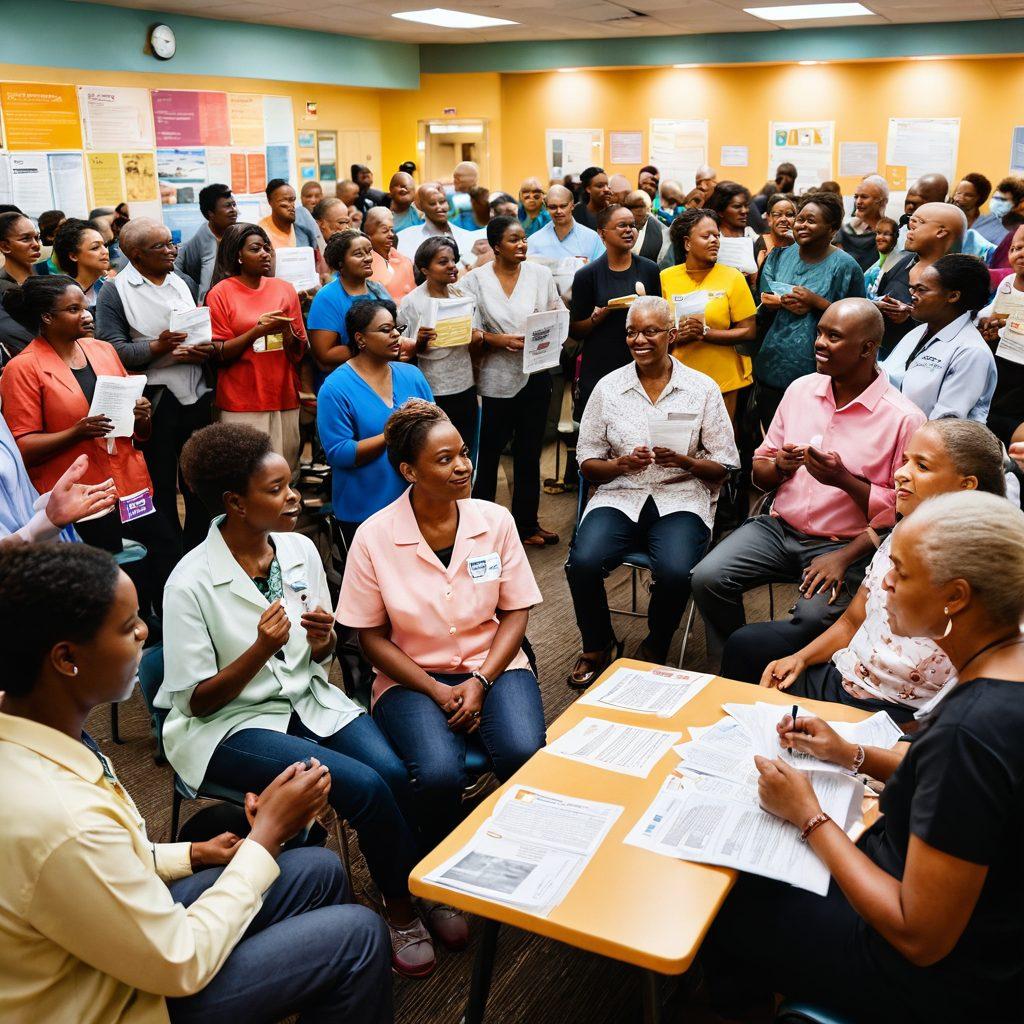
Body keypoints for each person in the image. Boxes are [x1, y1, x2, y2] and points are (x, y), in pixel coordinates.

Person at [0, 543, 393, 1024]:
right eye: (128, 627)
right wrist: (266, 837)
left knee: (319, 869)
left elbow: (106, 859)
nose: (146, 633)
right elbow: (178, 961)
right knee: (359, 935)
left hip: (105, 940)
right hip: (117, 999)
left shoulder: (41, 732)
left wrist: (195, 853)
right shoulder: (60, 816)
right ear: (66, 659)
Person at [704, 489, 1024, 1024]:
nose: (882, 585)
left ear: (956, 596)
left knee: (723, 896)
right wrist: (850, 752)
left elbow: (918, 936)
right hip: (975, 921)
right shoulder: (1003, 668)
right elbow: (951, 785)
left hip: (929, 975)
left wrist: (808, 815)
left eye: (900, 570)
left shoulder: (971, 732)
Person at [156, 422, 437, 978]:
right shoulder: (188, 581)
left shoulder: (300, 549)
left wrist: (323, 638)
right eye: (278, 489)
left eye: (291, 485)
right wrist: (262, 648)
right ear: (235, 502)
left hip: (306, 698)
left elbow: (321, 653)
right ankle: (403, 907)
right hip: (229, 728)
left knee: (393, 770)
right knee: (363, 787)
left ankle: (407, 879)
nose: (295, 498)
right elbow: (195, 703)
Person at [338, 399, 546, 876]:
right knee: (434, 775)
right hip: (411, 676)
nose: (463, 467)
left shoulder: (495, 522)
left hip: (493, 662)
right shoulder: (373, 537)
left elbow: (516, 612)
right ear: (409, 470)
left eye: (463, 454)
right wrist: (436, 689)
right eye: (445, 459)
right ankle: (439, 867)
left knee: (524, 754)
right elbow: (369, 637)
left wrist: (482, 681)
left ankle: (515, 853)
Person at [692, 298, 926, 669]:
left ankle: (793, 673)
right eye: (819, 333)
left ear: (867, 348)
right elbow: (759, 470)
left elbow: (904, 511)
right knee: (707, 577)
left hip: (847, 544)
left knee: (814, 617)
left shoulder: (904, 419)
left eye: (833, 337)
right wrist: (780, 467)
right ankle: (733, 665)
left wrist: (843, 481)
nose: (818, 343)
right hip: (778, 529)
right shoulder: (801, 389)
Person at [754, 418, 1005, 722]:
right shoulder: (904, 532)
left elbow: (970, 697)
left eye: (921, 466)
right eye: (905, 461)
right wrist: (800, 658)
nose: (900, 474)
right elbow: (853, 620)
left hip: (898, 713)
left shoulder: (985, 573)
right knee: (749, 656)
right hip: (845, 678)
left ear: (966, 485)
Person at [566, 296, 737, 684]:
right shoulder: (608, 388)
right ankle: (597, 644)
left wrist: (687, 461)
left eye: (650, 331)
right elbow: (587, 462)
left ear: (671, 335)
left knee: (677, 571)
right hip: (621, 492)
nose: (638, 340)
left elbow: (724, 465)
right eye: (631, 332)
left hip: (681, 495)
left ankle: (656, 644)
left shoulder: (702, 389)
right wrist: (619, 465)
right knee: (583, 562)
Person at [0, 276, 178, 617]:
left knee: (163, 552)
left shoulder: (103, 350)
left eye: (84, 305)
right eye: (73, 309)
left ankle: (158, 628)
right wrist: (77, 432)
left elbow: (135, 427)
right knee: (110, 578)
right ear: (47, 318)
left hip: (130, 483)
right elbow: (24, 447)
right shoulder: (23, 368)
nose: (87, 315)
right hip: (82, 496)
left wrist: (142, 414)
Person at [95, 217, 214, 552]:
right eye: (159, 246)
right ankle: (169, 554)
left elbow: (199, 329)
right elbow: (113, 350)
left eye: (170, 243)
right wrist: (158, 347)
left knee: (198, 479)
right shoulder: (115, 292)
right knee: (160, 482)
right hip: (155, 401)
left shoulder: (183, 281)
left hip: (195, 394)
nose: (170, 251)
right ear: (135, 254)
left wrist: (202, 351)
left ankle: (200, 546)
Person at [461, 216, 563, 547]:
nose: (522, 245)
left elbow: (557, 313)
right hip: (496, 377)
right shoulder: (475, 280)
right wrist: (496, 340)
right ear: (495, 247)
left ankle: (527, 524)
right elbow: (467, 329)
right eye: (513, 240)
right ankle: (482, 526)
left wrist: (545, 338)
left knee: (529, 452)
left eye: (523, 239)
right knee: (488, 453)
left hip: (535, 373)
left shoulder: (541, 274)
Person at [317, 300, 433, 541]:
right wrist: (390, 434)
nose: (395, 336)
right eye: (385, 330)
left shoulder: (412, 375)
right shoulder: (335, 388)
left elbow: (434, 429)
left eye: (396, 329)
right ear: (360, 339)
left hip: (417, 505)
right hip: (365, 512)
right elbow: (339, 453)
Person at [754, 191, 866, 428]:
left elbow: (860, 319)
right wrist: (781, 302)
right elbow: (765, 298)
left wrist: (817, 303)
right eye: (800, 219)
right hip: (772, 365)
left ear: (832, 229)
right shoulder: (779, 255)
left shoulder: (845, 266)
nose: (802, 225)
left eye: (811, 221)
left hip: (819, 372)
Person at [205, 224, 307, 469]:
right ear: (238, 256)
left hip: (283, 394)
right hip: (242, 399)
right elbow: (218, 353)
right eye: (255, 249)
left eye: (266, 247)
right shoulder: (220, 293)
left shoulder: (284, 289)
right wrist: (256, 332)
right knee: (246, 474)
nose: (265, 253)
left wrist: (286, 331)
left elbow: (299, 351)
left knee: (285, 470)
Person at [660, 209, 756, 418]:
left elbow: (749, 331)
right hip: (678, 379)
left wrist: (705, 333)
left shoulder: (733, 277)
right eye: (706, 236)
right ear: (687, 243)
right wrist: (675, 336)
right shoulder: (665, 278)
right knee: (682, 442)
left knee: (719, 444)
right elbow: (656, 330)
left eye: (717, 235)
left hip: (723, 379)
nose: (714, 241)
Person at [569, 205, 662, 419]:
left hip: (641, 363)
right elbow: (575, 330)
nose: (629, 230)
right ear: (602, 233)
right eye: (622, 225)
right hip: (601, 363)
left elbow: (659, 316)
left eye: (632, 225)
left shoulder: (649, 269)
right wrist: (597, 317)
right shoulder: (587, 275)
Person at [882, 254, 997, 422]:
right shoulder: (919, 331)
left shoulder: (971, 353)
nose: (912, 296)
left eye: (921, 290)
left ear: (953, 296)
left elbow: (945, 422)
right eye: (912, 288)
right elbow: (889, 378)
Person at [399, 236, 481, 456]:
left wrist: (476, 336)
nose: (452, 266)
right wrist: (420, 343)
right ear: (425, 269)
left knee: (465, 447)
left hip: (464, 385)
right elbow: (400, 349)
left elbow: (476, 336)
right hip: (430, 388)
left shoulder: (464, 297)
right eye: (443, 262)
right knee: (434, 451)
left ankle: (465, 490)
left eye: (453, 260)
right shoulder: (412, 302)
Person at [874, 202, 967, 358]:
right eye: (910, 224)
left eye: (919, 223)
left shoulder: (958, 278)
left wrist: (910, 315)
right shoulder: (902, 260)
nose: (910, 229)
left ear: (941, 232)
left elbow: (952, 327)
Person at [0, 421, 114, 546]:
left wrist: (49, 505)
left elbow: (14, 485)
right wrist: (41, 525)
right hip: (24, 555)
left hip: (50, 547)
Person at [307, 230, 392, 377]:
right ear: (341, 262)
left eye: (369, 252)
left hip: (384, 372)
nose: (368, 258)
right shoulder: (327, 297)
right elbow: (325, 354)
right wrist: (372, 345)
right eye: (359, 254)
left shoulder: (378, 289)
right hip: (347, 378)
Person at [979, 224, 1024, 442]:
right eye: (1015, 248)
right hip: (1003, 361)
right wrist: (987, 323)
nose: (1020, 254)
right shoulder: (1007, 283)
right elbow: (992, 313)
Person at [174, 183, 238, 301]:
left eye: (234, 205)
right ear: (211, 214)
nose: (233, 210)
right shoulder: (204, 241)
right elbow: (205, 287)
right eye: (228, 206)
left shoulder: (236, 234)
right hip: (183, 274)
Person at [395, 184, 482, 269]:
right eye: (432, 203)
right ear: (420, 206)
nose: (439, 207)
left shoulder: (467, 237)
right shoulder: (405, 238)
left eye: (442, 202)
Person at [527, 184, 603, 266]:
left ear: (572, 205)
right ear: (546, 207)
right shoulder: (534, 241)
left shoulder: (591, 238)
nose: (558, 211)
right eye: (553, 207)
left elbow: (602, 270)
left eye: (563, 206)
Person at [52, 218, 112, 309]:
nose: (105, 251)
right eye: (95, 247)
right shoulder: (61, 295)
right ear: (73, 256)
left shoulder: (110, 287)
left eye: (105, 245)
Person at [835, 175, 889, 271]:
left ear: (882, 201)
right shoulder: (846, 229)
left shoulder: (891, 233)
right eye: (856, 197)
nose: (858, 202)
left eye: (864, 197)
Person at [364, 207, 415, 301]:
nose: (391, 234)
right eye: (385, 231)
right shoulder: (365, 265)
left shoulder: (404, 260)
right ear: (369, 236)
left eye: (392, 230)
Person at [259, 179, 319, 252]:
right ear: (270, 201)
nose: (292, 205)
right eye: (285, 200)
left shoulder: (302, 218)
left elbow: (319, 250)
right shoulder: (262, 231)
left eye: (293, 200)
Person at [753, 192, 796, 277]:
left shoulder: (799, 243)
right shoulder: (763, 242)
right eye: (777, 215)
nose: (784, 219)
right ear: (769, 218)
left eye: (789, 215)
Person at [987, 175, 1024, 269]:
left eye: (1003, 200)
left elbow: (1005, 271)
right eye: (995, 198)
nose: (996, 203)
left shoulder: (1017, 233)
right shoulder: (990, 222)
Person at [0, 212, 41, 295]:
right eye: (25, 238)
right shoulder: (3, 288)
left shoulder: (47, 271)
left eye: (37, 238)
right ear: (5, 247)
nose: (36, 244)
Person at [625, 189, 665, 263]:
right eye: (639, 213)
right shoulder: (618, 227)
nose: (646, 217)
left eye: (649, 211)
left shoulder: (661, 231)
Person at [864, 216, 899, 298]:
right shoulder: (875, 264)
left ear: (895, 237)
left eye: (886, 234)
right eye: (878, 233)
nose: (880, 237)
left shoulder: (899, 262)